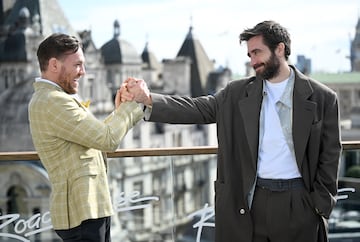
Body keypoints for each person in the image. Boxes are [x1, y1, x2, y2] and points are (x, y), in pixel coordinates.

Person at [120, 20, 342, 242]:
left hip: (299, 204)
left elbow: (331, 154)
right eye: (249, 55)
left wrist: (319, 206)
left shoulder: (323, 98)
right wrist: (148, 99)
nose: (253, 61)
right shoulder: (236, 93)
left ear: (280, 49)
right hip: (250, 202)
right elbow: (197, 109)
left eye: (257, 52)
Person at [28, 33, 144, 242]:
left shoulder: (53, 98)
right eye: (78, 65)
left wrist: (119, 112)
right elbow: (108, 140)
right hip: (82, 213)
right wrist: (135, 104)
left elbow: (95, 136)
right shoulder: (53, 101)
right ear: (54, 64)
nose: (83, 72)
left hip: (87, 210)